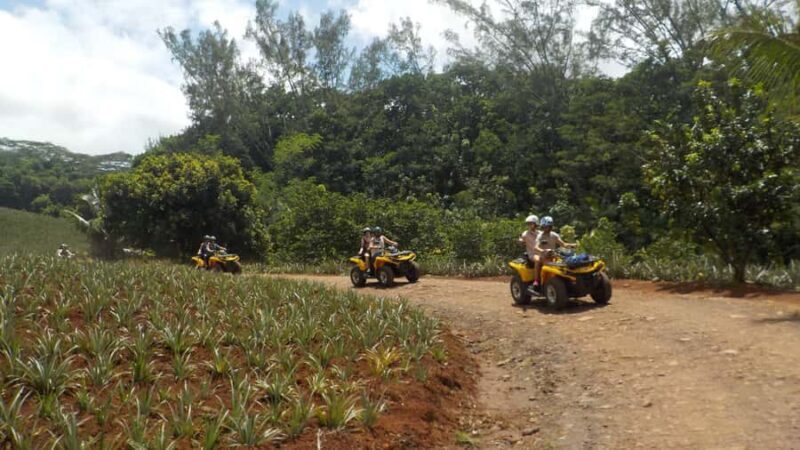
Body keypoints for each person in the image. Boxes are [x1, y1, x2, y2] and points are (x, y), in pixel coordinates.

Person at [533, 216, 577, 290]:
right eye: (546, 226)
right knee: (537, 262)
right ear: (542, 226)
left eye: (549, 226)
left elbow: (563, 244)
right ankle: (536, 281)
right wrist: (543, 251)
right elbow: (535, 247)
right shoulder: (540, 236)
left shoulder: (554, 235)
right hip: (543, 256)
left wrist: (573, 245)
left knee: (564, 264)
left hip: (553, 255)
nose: (548, 228)